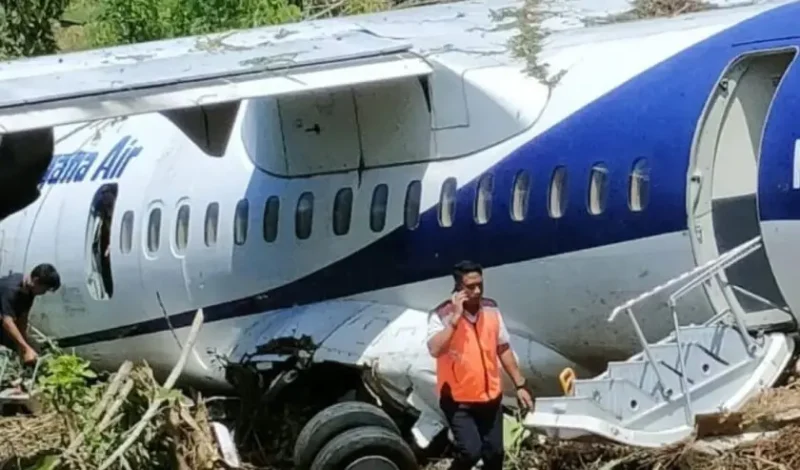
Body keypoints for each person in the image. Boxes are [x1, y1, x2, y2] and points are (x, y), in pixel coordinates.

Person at [427, 260, 534, 470]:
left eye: (480, 285)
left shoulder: (491, 310)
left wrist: (520, 385)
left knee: (495, 454)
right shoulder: (441, 315)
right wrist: (455, 319)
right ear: (458, 289)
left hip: (490, 398)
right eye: (470, 287)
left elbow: (503, 348)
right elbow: (435, 349)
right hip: (459, 401)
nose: (477, 291)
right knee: (470, 452)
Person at [0, 264, 61, 365]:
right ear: (36, 281)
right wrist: (26, 348)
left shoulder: (29, 291)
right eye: (44, 289)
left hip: (5, 319)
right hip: (3, 320)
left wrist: (23, 346)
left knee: (13, 343)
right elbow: (7, 322)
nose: (44, 293)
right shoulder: (11, 289)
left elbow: (23, 319)